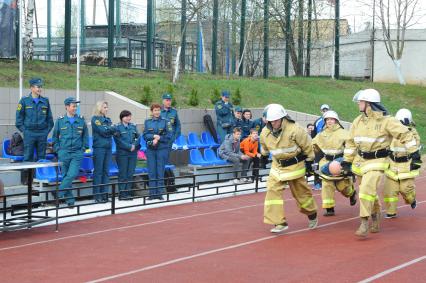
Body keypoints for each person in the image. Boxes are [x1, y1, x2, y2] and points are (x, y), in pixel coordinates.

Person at [342, 89, 418, 237]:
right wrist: (346, 161)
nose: (358, 103)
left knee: (365, 191)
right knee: (369, 192)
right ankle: (376, 216)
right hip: (360, 162)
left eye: (361, 101)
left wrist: (414, 153)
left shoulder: (386, 120)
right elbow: (350, 143)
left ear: (369, 103)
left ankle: (364, 221)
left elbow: (405, 134)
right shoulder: (357, 121)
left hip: (377, 161)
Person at [260, 104, 318, 233]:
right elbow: (264, 145)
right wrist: (263, 157)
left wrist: (309, 163)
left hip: (294, 166)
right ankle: (279, 222)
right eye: (271, 121)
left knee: (301, 194)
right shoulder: (265, 132)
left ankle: (312, 213)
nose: (274, 123)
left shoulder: (295, 129)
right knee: (272, 190)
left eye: (276, 120)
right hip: (277, 167)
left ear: (282, 118)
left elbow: (308, 146)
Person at [312, 110, 357, 216]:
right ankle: (329, 208)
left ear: (336, 120)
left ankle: (351, 193)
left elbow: (351, 147)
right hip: (326, 163)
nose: (329, 121)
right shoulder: (321, 134)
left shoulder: (344, 133)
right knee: (326, 185)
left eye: (331, 119)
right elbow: (313, 146)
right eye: (327, 119)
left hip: (340, 163)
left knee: (343, 187)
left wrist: (349, 163)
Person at [383, 108, 422, 218]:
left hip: (406, 166)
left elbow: (415, 145)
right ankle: (391, 212)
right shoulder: (391, 132)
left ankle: (412, 199)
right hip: (392, 165)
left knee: (406, 190)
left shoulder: (412, 133)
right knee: (389, 191)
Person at [52, 97, 89, 207]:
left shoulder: (81, 120)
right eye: (73, 106)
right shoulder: (60, 120)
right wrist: (58, 150)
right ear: (67, 107)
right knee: (65, 176)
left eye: (76, 106)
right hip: (64, 152)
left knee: (72, 174)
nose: (75, 108)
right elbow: (55, 138)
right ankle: (70, 201)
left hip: (77, 153)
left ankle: (58, 193)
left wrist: (83, 148)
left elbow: (85, 136)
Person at [16, 78, 54, 161]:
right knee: (27, 158)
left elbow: (50, 119)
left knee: (42, 158)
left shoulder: (45, 101)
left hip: (42, 134)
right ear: (31, 88)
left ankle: (39, 174)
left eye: (41, 87)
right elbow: (18, 119)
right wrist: (25, 131)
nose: (40, 89)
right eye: (38, 87)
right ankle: (27, 174)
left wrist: (45, 132)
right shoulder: (24, 101)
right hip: (29, 133)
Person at [143, 104, 172, 200]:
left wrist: (160, 138)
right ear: (152, 111)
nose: (157, 112)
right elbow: (145, 135)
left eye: (158, 110)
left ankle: (159, 193)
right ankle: (152, 193)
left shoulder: (166, 122)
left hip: (161, 149)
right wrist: (154, 136)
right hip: (151, 149)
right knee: (151, 171)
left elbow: (169, 136)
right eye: (155, 110)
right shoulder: (147, 122)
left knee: (160, 170)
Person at [91, 101, 118, 203]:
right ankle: (97, 195)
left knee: (106, 171)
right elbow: (103, 131)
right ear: (100, 108)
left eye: (107, 107)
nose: (107, 109)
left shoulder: (108, 120)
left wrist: (109, 129)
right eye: (105, 107)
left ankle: (104, 194)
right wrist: (110, 129)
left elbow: (114, 131)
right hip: (99, 148)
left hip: (108, 147)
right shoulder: (95, 119)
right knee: (98, 172)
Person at [114, 110, 140, 200]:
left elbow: (137, 137)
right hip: (122, 154)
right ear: (122, 117)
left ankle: (128, 193)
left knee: (130, 174)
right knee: (123, 174)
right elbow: (118, 141)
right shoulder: (117, 127)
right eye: (126, 116)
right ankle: (122, 194)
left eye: (129, 116)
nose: (129, 118)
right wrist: (129, 146)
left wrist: (134, 145)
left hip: (132, 154)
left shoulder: (133, 126)